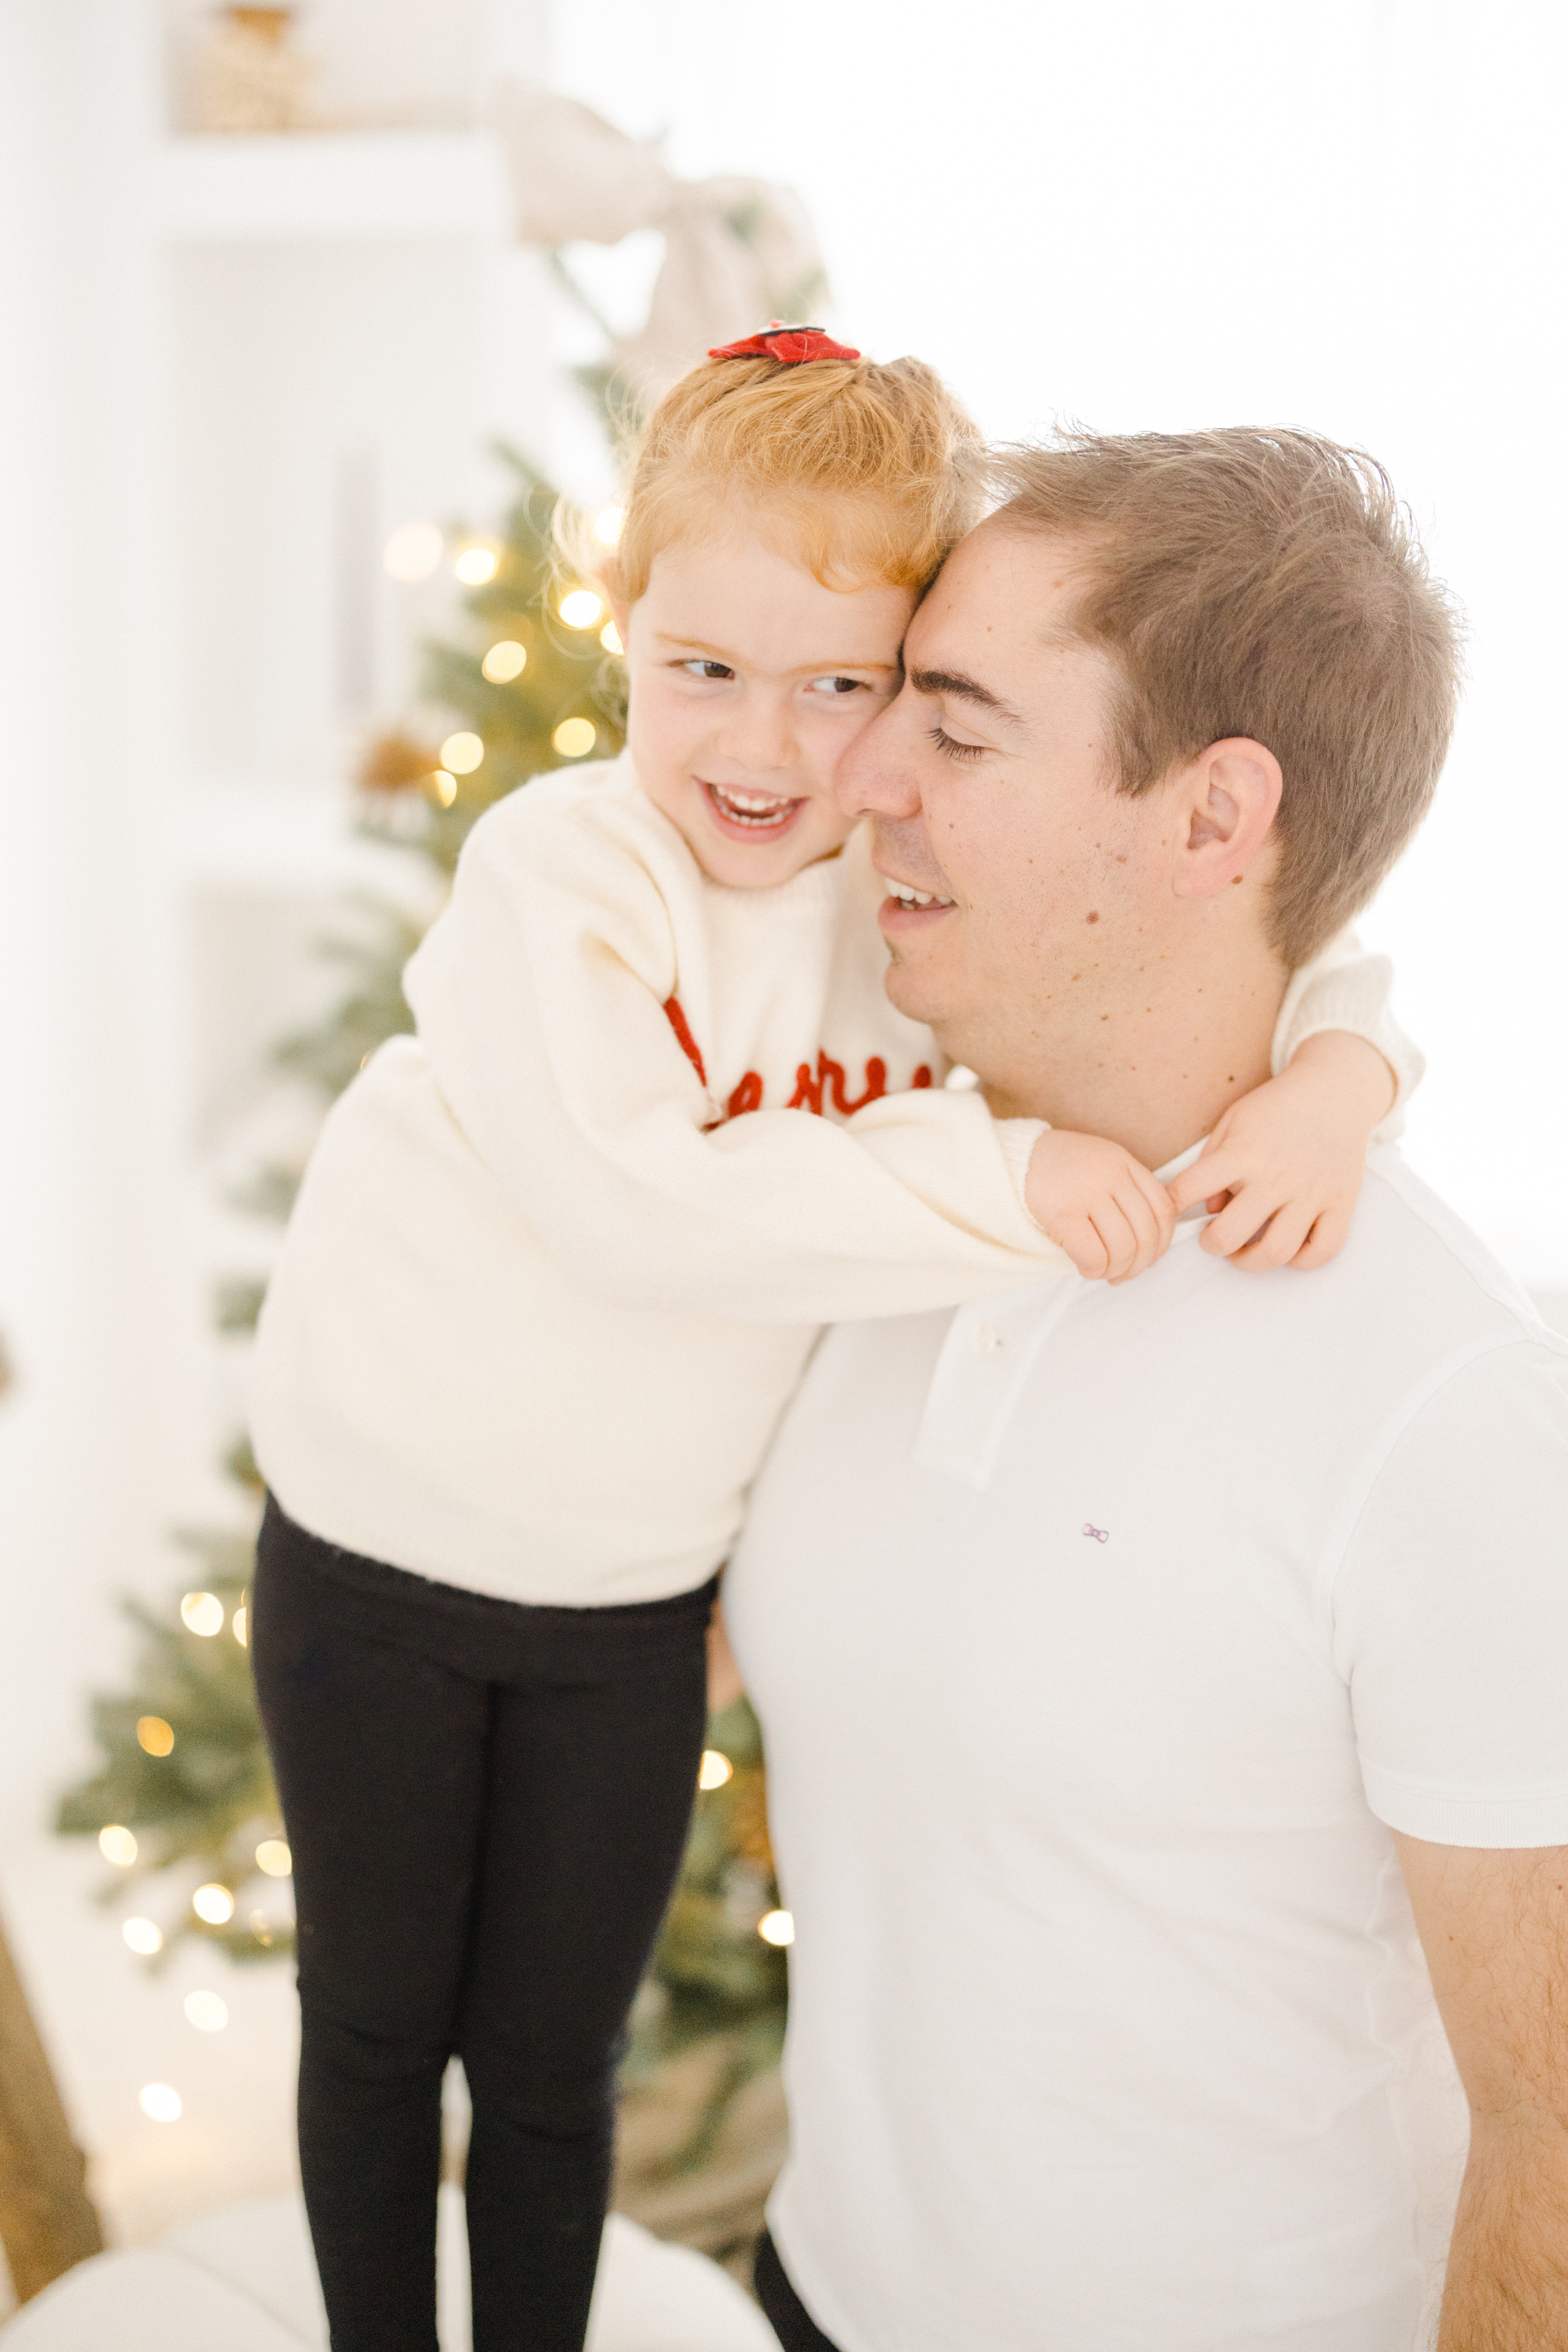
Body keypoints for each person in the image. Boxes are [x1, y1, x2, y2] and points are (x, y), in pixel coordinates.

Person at [248, 341, 1415, 2352]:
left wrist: (1344, 1078)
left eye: (842, 685)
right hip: (379, 1553)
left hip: (631, 1606)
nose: (762, 743)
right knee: (370, 2030)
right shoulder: (561, 875)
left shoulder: (897, 897)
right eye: (701, 667)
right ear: (621, 625)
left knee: (551, 2064)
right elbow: (634, 1208)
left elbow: (1255, 927)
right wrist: (1006, 1178)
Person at [726, 425, 1568, 2352]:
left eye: (958, 730)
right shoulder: (875, 1189)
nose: (864, 777)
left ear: (1212, 821)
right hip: (816, 2298)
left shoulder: (1446, 1408)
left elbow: (1555, 2135)